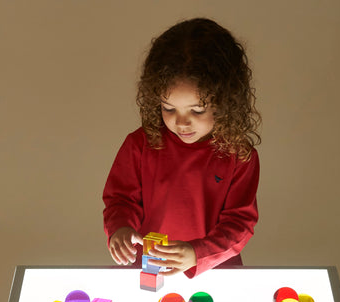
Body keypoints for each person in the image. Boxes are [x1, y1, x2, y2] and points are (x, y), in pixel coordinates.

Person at [102, 17, 261, 278]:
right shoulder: (140, 144)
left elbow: (239, 224)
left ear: (225, 101)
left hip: (213, 272)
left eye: (197, 110)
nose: (181, 122)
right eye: (168, 108)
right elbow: (120, 199)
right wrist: (120, 228)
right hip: (149, 269)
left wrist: (197, 254)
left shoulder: (239, 155)